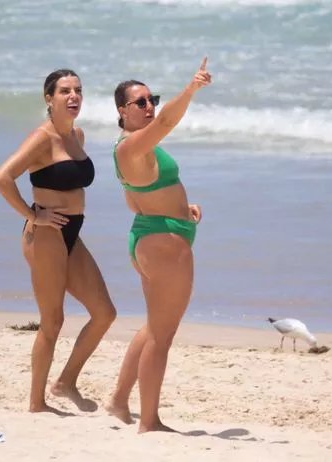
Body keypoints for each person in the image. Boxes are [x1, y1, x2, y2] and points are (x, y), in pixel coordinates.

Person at [0, 69, 117, 414]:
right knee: (53, 321)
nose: (73, 96)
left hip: (72, 234)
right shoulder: (42, 138)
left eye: (78, 90)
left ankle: (65, 382)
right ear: (49, 99)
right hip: (45, 235)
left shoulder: (76, 135)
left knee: (105, 313)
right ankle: (37, 402)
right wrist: (33, 216)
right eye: (65, 91)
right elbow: (2, 178)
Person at [105, 57, 212, 433]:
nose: (150, 107)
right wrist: (191, 89)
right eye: (141, 102)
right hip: (162, 243)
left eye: (153, 99)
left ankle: (119, 401)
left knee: (154, 326)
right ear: (123, 110)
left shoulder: (128, 147)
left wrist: (183, 209)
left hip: (155, 232)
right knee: (163, 336)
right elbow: (168, 121)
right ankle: (149, 421)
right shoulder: (130, 147)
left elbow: (137, 197)